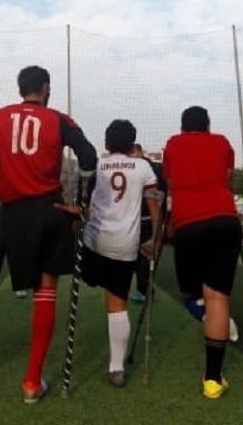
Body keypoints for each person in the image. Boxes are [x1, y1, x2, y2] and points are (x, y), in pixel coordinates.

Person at [0, 65, 97, 404]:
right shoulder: (58, 118)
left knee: (28, 287)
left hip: (13, 213)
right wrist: (81, 201)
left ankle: (31, 378)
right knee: (46, 290)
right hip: (49, 209)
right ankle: (31, 381)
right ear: (45, 87)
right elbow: (88, 156)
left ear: (20, 88)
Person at [163, 106, 240, 399]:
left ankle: (211, 317)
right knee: (218, 296)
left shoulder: (172, 144)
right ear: (207, 125)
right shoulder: (221, 142)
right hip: (224, 218)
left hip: (189, 223)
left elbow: (171, 182)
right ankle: (212, 379)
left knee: (191, 294)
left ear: (182, 127)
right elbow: (227, 176)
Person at [81, 121, 160, 387]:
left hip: (94, 243)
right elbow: (154, 203)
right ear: (131, 144)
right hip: (125, 244)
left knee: (73, 273)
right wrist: (154, 238)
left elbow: (88, 204)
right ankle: (116, 368)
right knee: (117, 303)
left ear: (106, 143)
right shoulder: (143, 167)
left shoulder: (98, 167)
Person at [128, 143, 166, 303]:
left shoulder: (149, 168)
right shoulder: (149, 168)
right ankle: (143, 290)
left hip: (146, 217)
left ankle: (145, 291)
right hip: (141, 217)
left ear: (139, 152)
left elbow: (160, 192)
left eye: (132, 153)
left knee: (143, 257)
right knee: (139, 257)